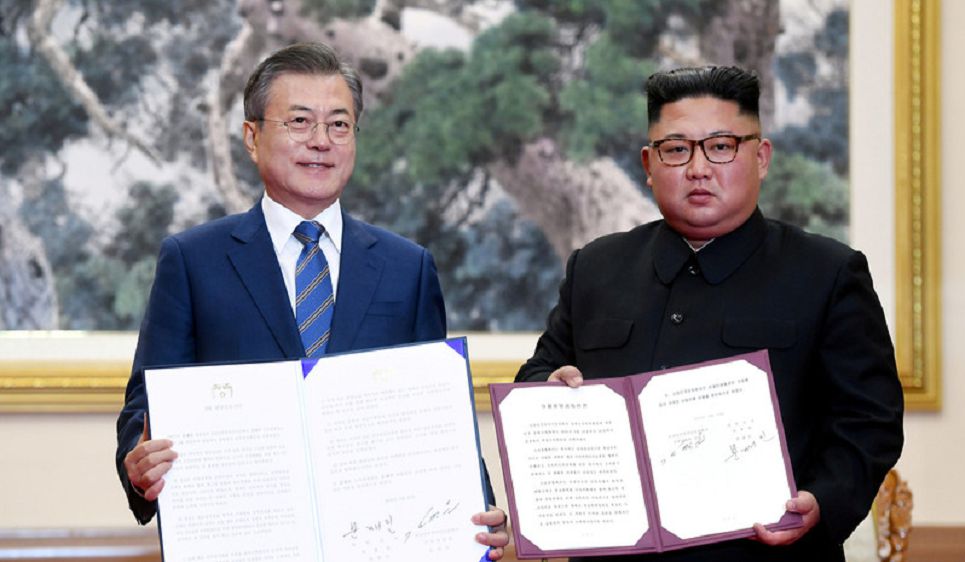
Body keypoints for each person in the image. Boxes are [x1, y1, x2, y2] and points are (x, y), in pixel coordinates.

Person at [116, 42, 507, 558]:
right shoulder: (192, 261)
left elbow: (437, 418)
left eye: (339, 125)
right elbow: (144, 408)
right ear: (252, 137)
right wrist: (138, 462)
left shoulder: (407, 268)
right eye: (299, 122)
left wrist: (479, 508)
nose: (321, 141)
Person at [515, 66, 904, 561]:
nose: (698, 169)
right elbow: (538, 374)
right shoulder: (596, 266)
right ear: (648, 164)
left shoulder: (827, 272)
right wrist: (547, 390)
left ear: (761, 158)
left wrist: (822, 501)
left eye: (721, 146)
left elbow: (870, 420)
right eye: (676, 150)